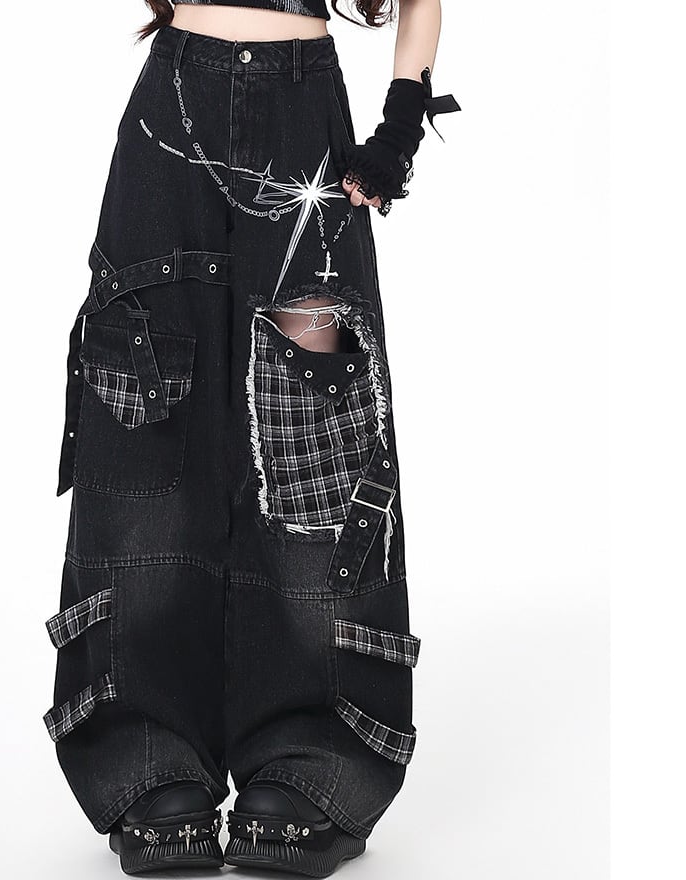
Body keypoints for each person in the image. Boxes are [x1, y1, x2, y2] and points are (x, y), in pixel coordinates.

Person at [44, 1, 460, 875]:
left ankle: (313, 760)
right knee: (146, 411)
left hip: (307, 122)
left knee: (319, 424)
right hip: (171, 113)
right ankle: (148, 758)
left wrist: (399, 126)